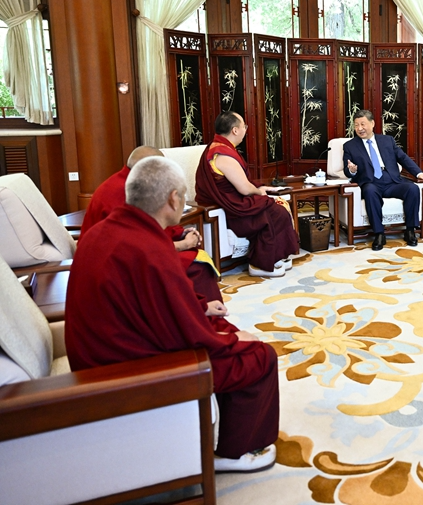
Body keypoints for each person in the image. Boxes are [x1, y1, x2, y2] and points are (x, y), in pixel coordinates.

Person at [66, 157, 280, 472]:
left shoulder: (102, 232)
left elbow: (154, 305)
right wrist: (233, 342)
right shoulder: (149, 250)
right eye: (184, 196)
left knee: (217, 320)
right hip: (124, 374)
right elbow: (187, 334)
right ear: (173, 199)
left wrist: (201, 307)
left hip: (99, 357)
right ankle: (234, 453)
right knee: (258, 357)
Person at [82, 145, 228, 321]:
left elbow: (149, 228)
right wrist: (183, 244)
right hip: (117, 273)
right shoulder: (124, 194)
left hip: (120, 262)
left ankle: (200, 314)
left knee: (193, 259)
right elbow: (138, 248)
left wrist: (180, 233)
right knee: (196, 267)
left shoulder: (131, 184)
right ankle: (206, 321)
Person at [195, 112, 300, 277]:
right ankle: (259, 264)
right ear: (235, 130)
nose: (246, 129)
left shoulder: (220, 147)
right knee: (275, 213)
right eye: (244, 125)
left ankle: (276, 256)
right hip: (231, 209)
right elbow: (244, 188)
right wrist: (260, 192)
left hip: (232, 201)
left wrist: (261, 188)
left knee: (275, 208)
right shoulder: (222, 154)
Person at [342, 109, 423, 251]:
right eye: (356, 125)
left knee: (412, 188)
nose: (359, 128)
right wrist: (352, 170)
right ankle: (379, 233)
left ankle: (410, 230)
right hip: (370, 182)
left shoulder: (387, 140)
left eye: (363, 124)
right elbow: (347, 169)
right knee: (370, 191)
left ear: (372, 123)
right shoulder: (350, 146)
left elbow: (403, 158)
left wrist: (418, 173)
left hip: (391, 181)